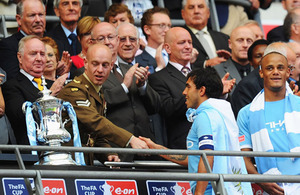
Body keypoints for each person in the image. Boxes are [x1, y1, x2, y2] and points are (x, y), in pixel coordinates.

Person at [141, 67, 252, 195]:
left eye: (188, 87)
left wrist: (198, 194)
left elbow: (207, 156)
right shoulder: (220, 112)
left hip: (210, 190)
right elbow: (195, 158)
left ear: (202, 90)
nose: (184, 92)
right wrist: (156, 148)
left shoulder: (205, 116)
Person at [57, 44, 149, 164]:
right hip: (67, 161)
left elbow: (94, 134)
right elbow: (95, 122)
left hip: (82, 160)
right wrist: (130, 139)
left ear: (111, 66)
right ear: (85, 63)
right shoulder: (74, 90)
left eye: (105, 65)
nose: (100, 70)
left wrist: (108, 153)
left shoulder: (97, 91)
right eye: (95, 64)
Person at [149, 27, 235, 149]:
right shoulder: (158, 78)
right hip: (183, 146)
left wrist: (221, 93)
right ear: (167, 48)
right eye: (181, 43)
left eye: (190, 42)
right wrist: (200, 94)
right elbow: (168, 108)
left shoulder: (205, 72)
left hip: (214, 141)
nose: (188, 47)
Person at [89, 22, 160, 161]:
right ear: (92, 43)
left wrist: (142, 86)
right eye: (101, 38)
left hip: (145, 149)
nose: (107, 42)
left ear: (116, 40)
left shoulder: (130, 68)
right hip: (115, 151)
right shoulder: (88, 72)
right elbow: (95, 106)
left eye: (111, 37)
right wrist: (124, 87)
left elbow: (156, 107)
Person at [238, 43, 300, 194]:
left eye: (280, 67)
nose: (275, 72)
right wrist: (260, 180)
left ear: (288, 72)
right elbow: (243, 157)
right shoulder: (246, 113)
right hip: (271, 188)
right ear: (260, 72)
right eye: (269, 68)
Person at [2, 35, 66, 145]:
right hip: (32, 153)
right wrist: (50, 95)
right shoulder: (11, 86)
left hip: (61, 147)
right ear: (20, 57)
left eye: (42, 54)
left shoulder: (53, 84)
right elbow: (20, 117)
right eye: (33, 54)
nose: (39, 58)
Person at [231, 42, 295, 117]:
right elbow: (251, 122)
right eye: (289, 67)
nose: (291, 73)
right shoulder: (247, 87)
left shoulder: (287, 82)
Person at [0, 0, 46, 80]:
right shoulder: (8, 45)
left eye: (41, 15)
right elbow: (13, 79)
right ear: (19, 19)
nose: (38, 20)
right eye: (32, 15)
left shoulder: (54, 41)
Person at [181, 0, 231, 68]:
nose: (196, 11)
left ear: (208, 12)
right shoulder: (178, 38)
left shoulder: (224, 38)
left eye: (200, 7)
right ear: (183, 14)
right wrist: (205, 64)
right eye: (191, 7)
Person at [231, 39, 269, 116]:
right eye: (258, 56)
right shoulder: (246, 86)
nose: (263, 60)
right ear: (251, 62)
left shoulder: (282, 79)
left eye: (267, 55)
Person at [214, 26, 255, 95]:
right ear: (230, 44)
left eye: (249, 41)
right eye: (240, 40)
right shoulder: (216, 70)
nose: (245, 45)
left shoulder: (261, 70)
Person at [136, 6, 171, 74]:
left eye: (169, 26)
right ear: (147, 30)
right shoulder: (137, 62)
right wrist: (160, 68)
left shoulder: (176, 56)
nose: (167, 30)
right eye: (161, 25)